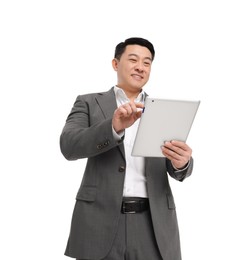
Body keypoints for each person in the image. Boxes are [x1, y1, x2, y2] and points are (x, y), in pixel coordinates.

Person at [60, 37, 194, 260]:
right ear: (115, 64)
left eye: (147, 62)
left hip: (153, 225)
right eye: (133, 60)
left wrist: (182, 163)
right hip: (99, 222)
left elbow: (176, 166)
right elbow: (69, 145)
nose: (140, 67)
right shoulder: (89, 102)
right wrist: (113, 127)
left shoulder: (164, 110)